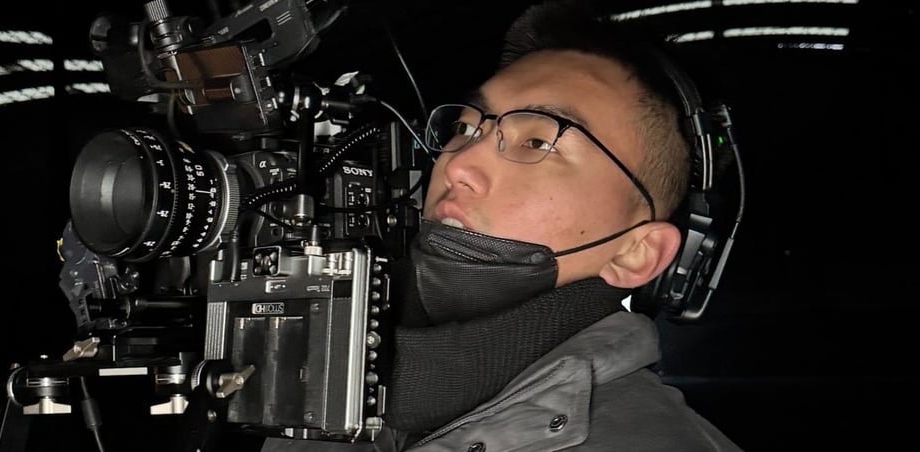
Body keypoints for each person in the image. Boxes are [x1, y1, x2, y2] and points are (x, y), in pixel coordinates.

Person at [265, 0, 742, 450]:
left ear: (638, 253)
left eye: (537, 143)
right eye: (466, 128)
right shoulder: (306, 388)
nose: (457, 166)